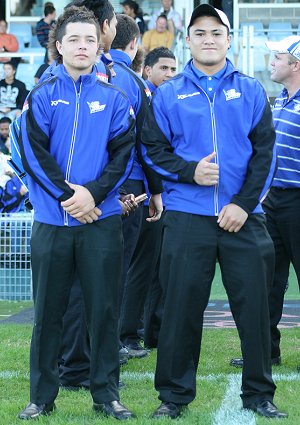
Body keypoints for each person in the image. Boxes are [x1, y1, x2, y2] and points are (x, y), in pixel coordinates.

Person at [141, 4, 287, 420]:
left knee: (254, 308)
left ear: (228, 39)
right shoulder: (169, 92)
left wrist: (242, 204)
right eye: (200, 32)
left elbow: (265, 154)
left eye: (216, 33)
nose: (208, 39)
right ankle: (173, 397)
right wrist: (190, 172)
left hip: (243, 217)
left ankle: (259, 393)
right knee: (180, 308)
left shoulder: (251, 89)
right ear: (188, 40)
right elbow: (152, 150)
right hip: (188, 217)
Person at [17, 5, 136, 420]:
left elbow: (122, 155)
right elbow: (34, 156)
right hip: (53, 222)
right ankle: (41, 397)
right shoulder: (42, 95)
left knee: (104, 312)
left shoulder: (115, 97)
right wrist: (72, 198)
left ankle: (106, 396)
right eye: (74, 39)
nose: (82, 46)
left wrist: (95, 197)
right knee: (47, 313)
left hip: (100, 223)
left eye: (89, 39)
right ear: (59, 45)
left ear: (100, 43)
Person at [230, 36, 300, 371]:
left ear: (295, 64)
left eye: (277, 57)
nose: (270, 63)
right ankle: (265, 353)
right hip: (274, 203)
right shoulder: (281, 102)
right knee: (267, 282)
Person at [109, 13, 163, 358]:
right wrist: (156, 190)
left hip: (95, 184)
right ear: (134, 45)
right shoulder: (130, 79)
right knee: (117, 268)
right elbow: (146, 141)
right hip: (129, 184)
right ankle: (109, 344)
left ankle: (88, 347)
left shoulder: (91, 74)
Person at [120, 46, 176, 350]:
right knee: (139, 264)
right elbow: (146, 147)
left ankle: (146, 330)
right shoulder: (145, 95)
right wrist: (156, 191)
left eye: (172, 70)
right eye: (163, 68)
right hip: (139, 187)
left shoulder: (162, 100)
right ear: (147, 70)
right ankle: (128, 333)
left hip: (151, 187)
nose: (168, 75)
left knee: (153, 265)